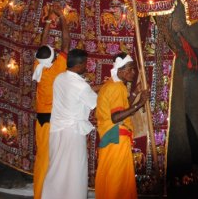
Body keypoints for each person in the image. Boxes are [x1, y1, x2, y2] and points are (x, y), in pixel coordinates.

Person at [41, 49, 98, 199]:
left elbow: (82, 92)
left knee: (57, 168)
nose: (87, 65)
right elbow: (94, 101)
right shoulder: (81, 86)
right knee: (75, 171)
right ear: (79, 65)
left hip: (57, 130)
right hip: (72, 133)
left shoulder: (60, 78)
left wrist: (102, 85)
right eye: (85, 63)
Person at [95, 53, 150, 199]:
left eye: (134, 69)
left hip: (112, 137)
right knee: (117, 181)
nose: (133, 72)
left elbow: (122, 110)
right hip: (116, 138)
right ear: (119, 70)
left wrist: (134, 95)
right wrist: (139, 104)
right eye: (130, 69)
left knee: (113, 178)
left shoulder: (114, 85)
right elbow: (116, 118)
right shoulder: (116, 88)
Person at [33, 3, 71, 199]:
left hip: (41, 120)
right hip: (52, 121)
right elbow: (66, 42)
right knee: (50, 160)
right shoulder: (56, 70)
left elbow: (43, 42)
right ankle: (43, 194)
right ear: (53, 57)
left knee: (42, 157)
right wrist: (62, 18)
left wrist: (48, 19)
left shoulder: (38, 68)